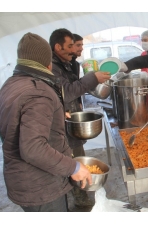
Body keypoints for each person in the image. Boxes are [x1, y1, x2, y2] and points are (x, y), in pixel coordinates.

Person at [0, 32, 92, 212]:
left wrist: (53, 114)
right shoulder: (38, 91)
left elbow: (11, 119)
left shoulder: (11, 84)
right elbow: (33, 148)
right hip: (41, 185)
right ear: (46, 62)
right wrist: (73, 167)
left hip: (21, 180)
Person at [49, 28, 110, 210]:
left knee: (78, 156)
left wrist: (79, 104)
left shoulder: (67, 63)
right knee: (72, 160)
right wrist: (92, 78)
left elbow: (73, 89)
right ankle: (79, 199)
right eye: (71, 46)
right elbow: (66, 92)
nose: (74, 50)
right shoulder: (53, 67)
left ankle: (80, 194)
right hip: (61, 124)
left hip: (71, 118)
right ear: (57, 47)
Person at [70, 33, 84, 110]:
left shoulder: (75, 64)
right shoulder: (64, 65)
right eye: (78, 45)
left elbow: (76, 83)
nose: (81, 48)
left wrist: (79, 102)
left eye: (82, 45)